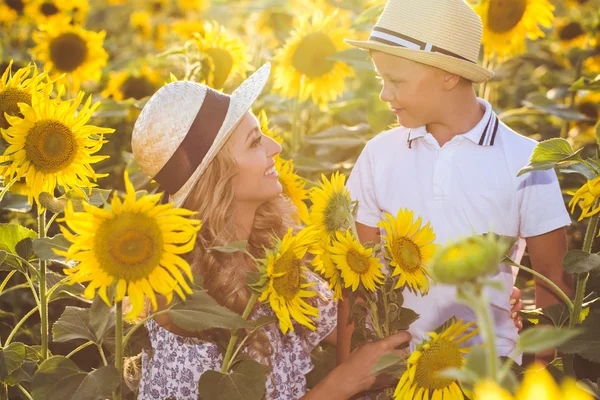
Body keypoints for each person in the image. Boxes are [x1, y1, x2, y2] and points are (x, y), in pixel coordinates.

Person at [130, 63, 411, 400]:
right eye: (254, 142)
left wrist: (358, 262)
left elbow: (347, 328)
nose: (275, 146)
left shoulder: (267, 252)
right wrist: (343, 382)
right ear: (219, 176)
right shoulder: (181, 300)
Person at [338, 0, 572, 365]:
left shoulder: (527, 161)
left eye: (395, 81)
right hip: (393, 374)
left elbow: (552, 280)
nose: (384, 94)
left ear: (448, 75)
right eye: (381, 80)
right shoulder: (377, 155)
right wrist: (349, 372)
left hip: (492, 372)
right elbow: (356, 284)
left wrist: (542, 371)